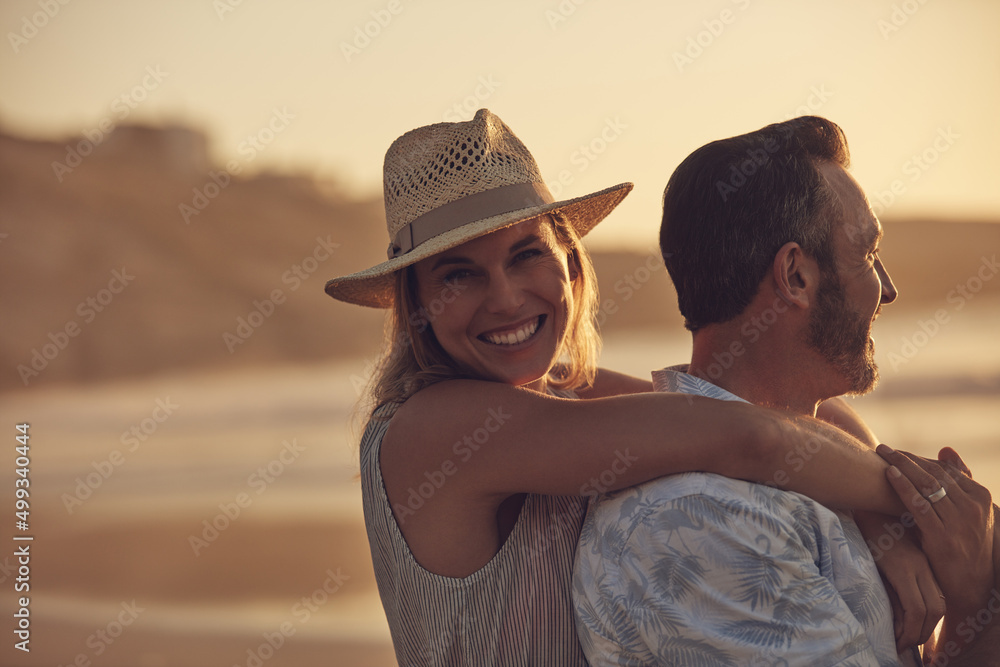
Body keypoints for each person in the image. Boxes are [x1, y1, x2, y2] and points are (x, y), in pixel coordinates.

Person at [324, 109, 919, 666]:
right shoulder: (435, 427)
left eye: (526, 255)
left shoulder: (553, 398)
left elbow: (770, 416)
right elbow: (751, 437)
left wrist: (868, 519)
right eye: (459, 274)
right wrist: (917, 507)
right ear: (417, 303)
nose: (505, 298)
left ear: (571, 263)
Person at [572, 115, 997, 665]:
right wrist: (976, 604)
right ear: (795, 275)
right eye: (867, 255)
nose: (888, 290)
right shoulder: (701, 524)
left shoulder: (812, 473)